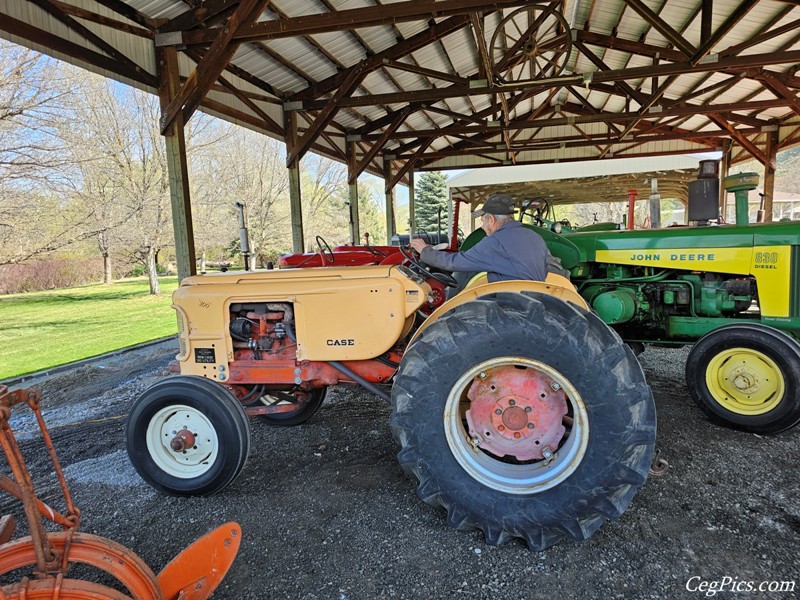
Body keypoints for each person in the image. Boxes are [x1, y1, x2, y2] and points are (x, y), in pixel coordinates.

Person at [408, 193, 548, 283]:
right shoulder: (536, 237)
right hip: (534, 299)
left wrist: (425, 251)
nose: (482, 226)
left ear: (492, 219)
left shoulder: (494, 242)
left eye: (483, 221)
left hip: (509, 303)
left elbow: (453, 263)